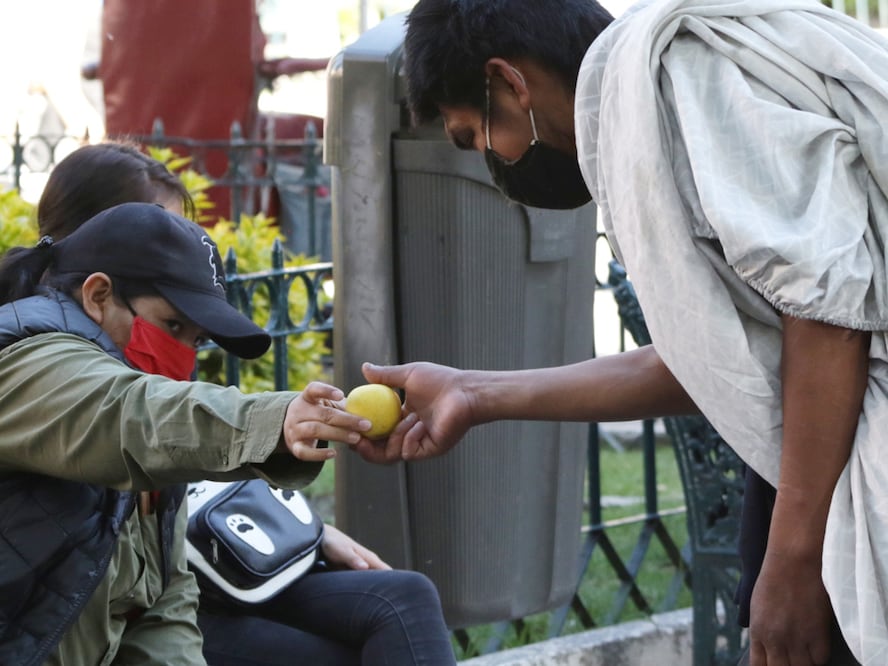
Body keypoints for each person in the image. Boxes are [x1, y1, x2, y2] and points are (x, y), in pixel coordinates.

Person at [346, 1, 888, 665]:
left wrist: (794, 562)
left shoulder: (689, 81)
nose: (496, 163)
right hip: (826, 444)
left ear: (510, 83)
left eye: (477, 136)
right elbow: (721, 357)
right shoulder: (654, 101)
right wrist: (474, 392)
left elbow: (827, 320)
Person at [30, 142, 457, 666]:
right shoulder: (36, 356)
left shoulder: (130, 355)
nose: (181, 246)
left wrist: (304, 528)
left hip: (201, 585)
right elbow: (137, 418)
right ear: (98, 272)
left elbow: (167, 595)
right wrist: (280, 421)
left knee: (403, 599)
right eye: (157, 230)